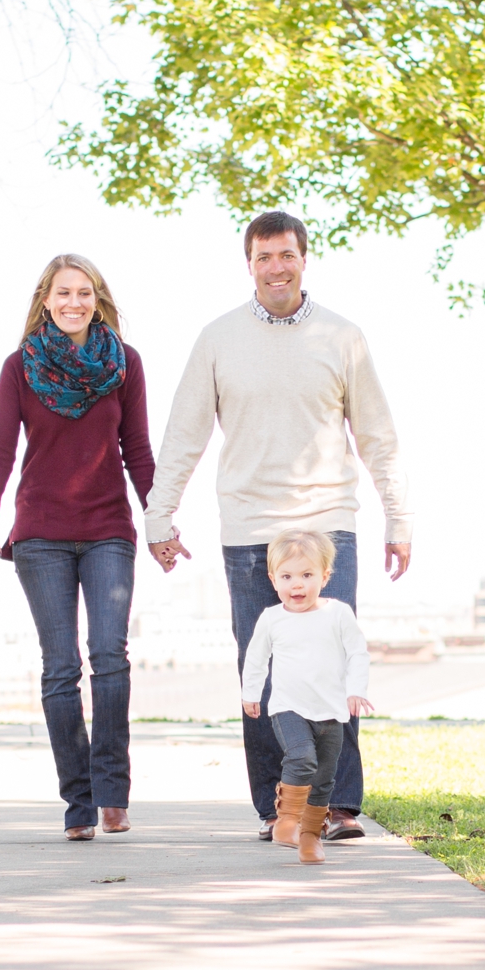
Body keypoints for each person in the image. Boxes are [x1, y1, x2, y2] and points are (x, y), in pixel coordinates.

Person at [145, 210, 412, 842]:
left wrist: (398, 517)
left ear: (303, 259)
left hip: (328, 523)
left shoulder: (343, 337)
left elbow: (377, 435)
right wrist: (160, 513)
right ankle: (279, 809)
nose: (276, 267)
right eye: (264, 257)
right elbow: (184, 432)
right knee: (260, 667)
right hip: (249, 526)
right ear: (249, 264)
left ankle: (339, 805)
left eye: (286, 255)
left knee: (333, 657)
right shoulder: (217, 338)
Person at [0, 254, 163, 841]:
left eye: (85, 292)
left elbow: (138, 450)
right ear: (46, 299)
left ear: (98, 298)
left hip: (109, 528)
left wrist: (161, 522)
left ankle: (113, 793)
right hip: (40, 537)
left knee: (109, 655)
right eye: (64, 293)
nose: (74, 302)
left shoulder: (124, 364)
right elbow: (1, 451)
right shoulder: (19, 367)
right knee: (61, 671)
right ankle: (77, 802)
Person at [240, 530, 373, 864]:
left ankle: (311, 838)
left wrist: (357, 689)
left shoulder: (338, 613)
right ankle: (286, 821)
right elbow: (255, 659)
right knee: (302, 759)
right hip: (288, 707)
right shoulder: (272, 618)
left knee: (324, 780)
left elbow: (358, 653)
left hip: (331, 713)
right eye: (286, 576)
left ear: (325, 577)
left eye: (306, 575)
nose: (296, 585)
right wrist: (251, 694)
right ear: (273, 579)